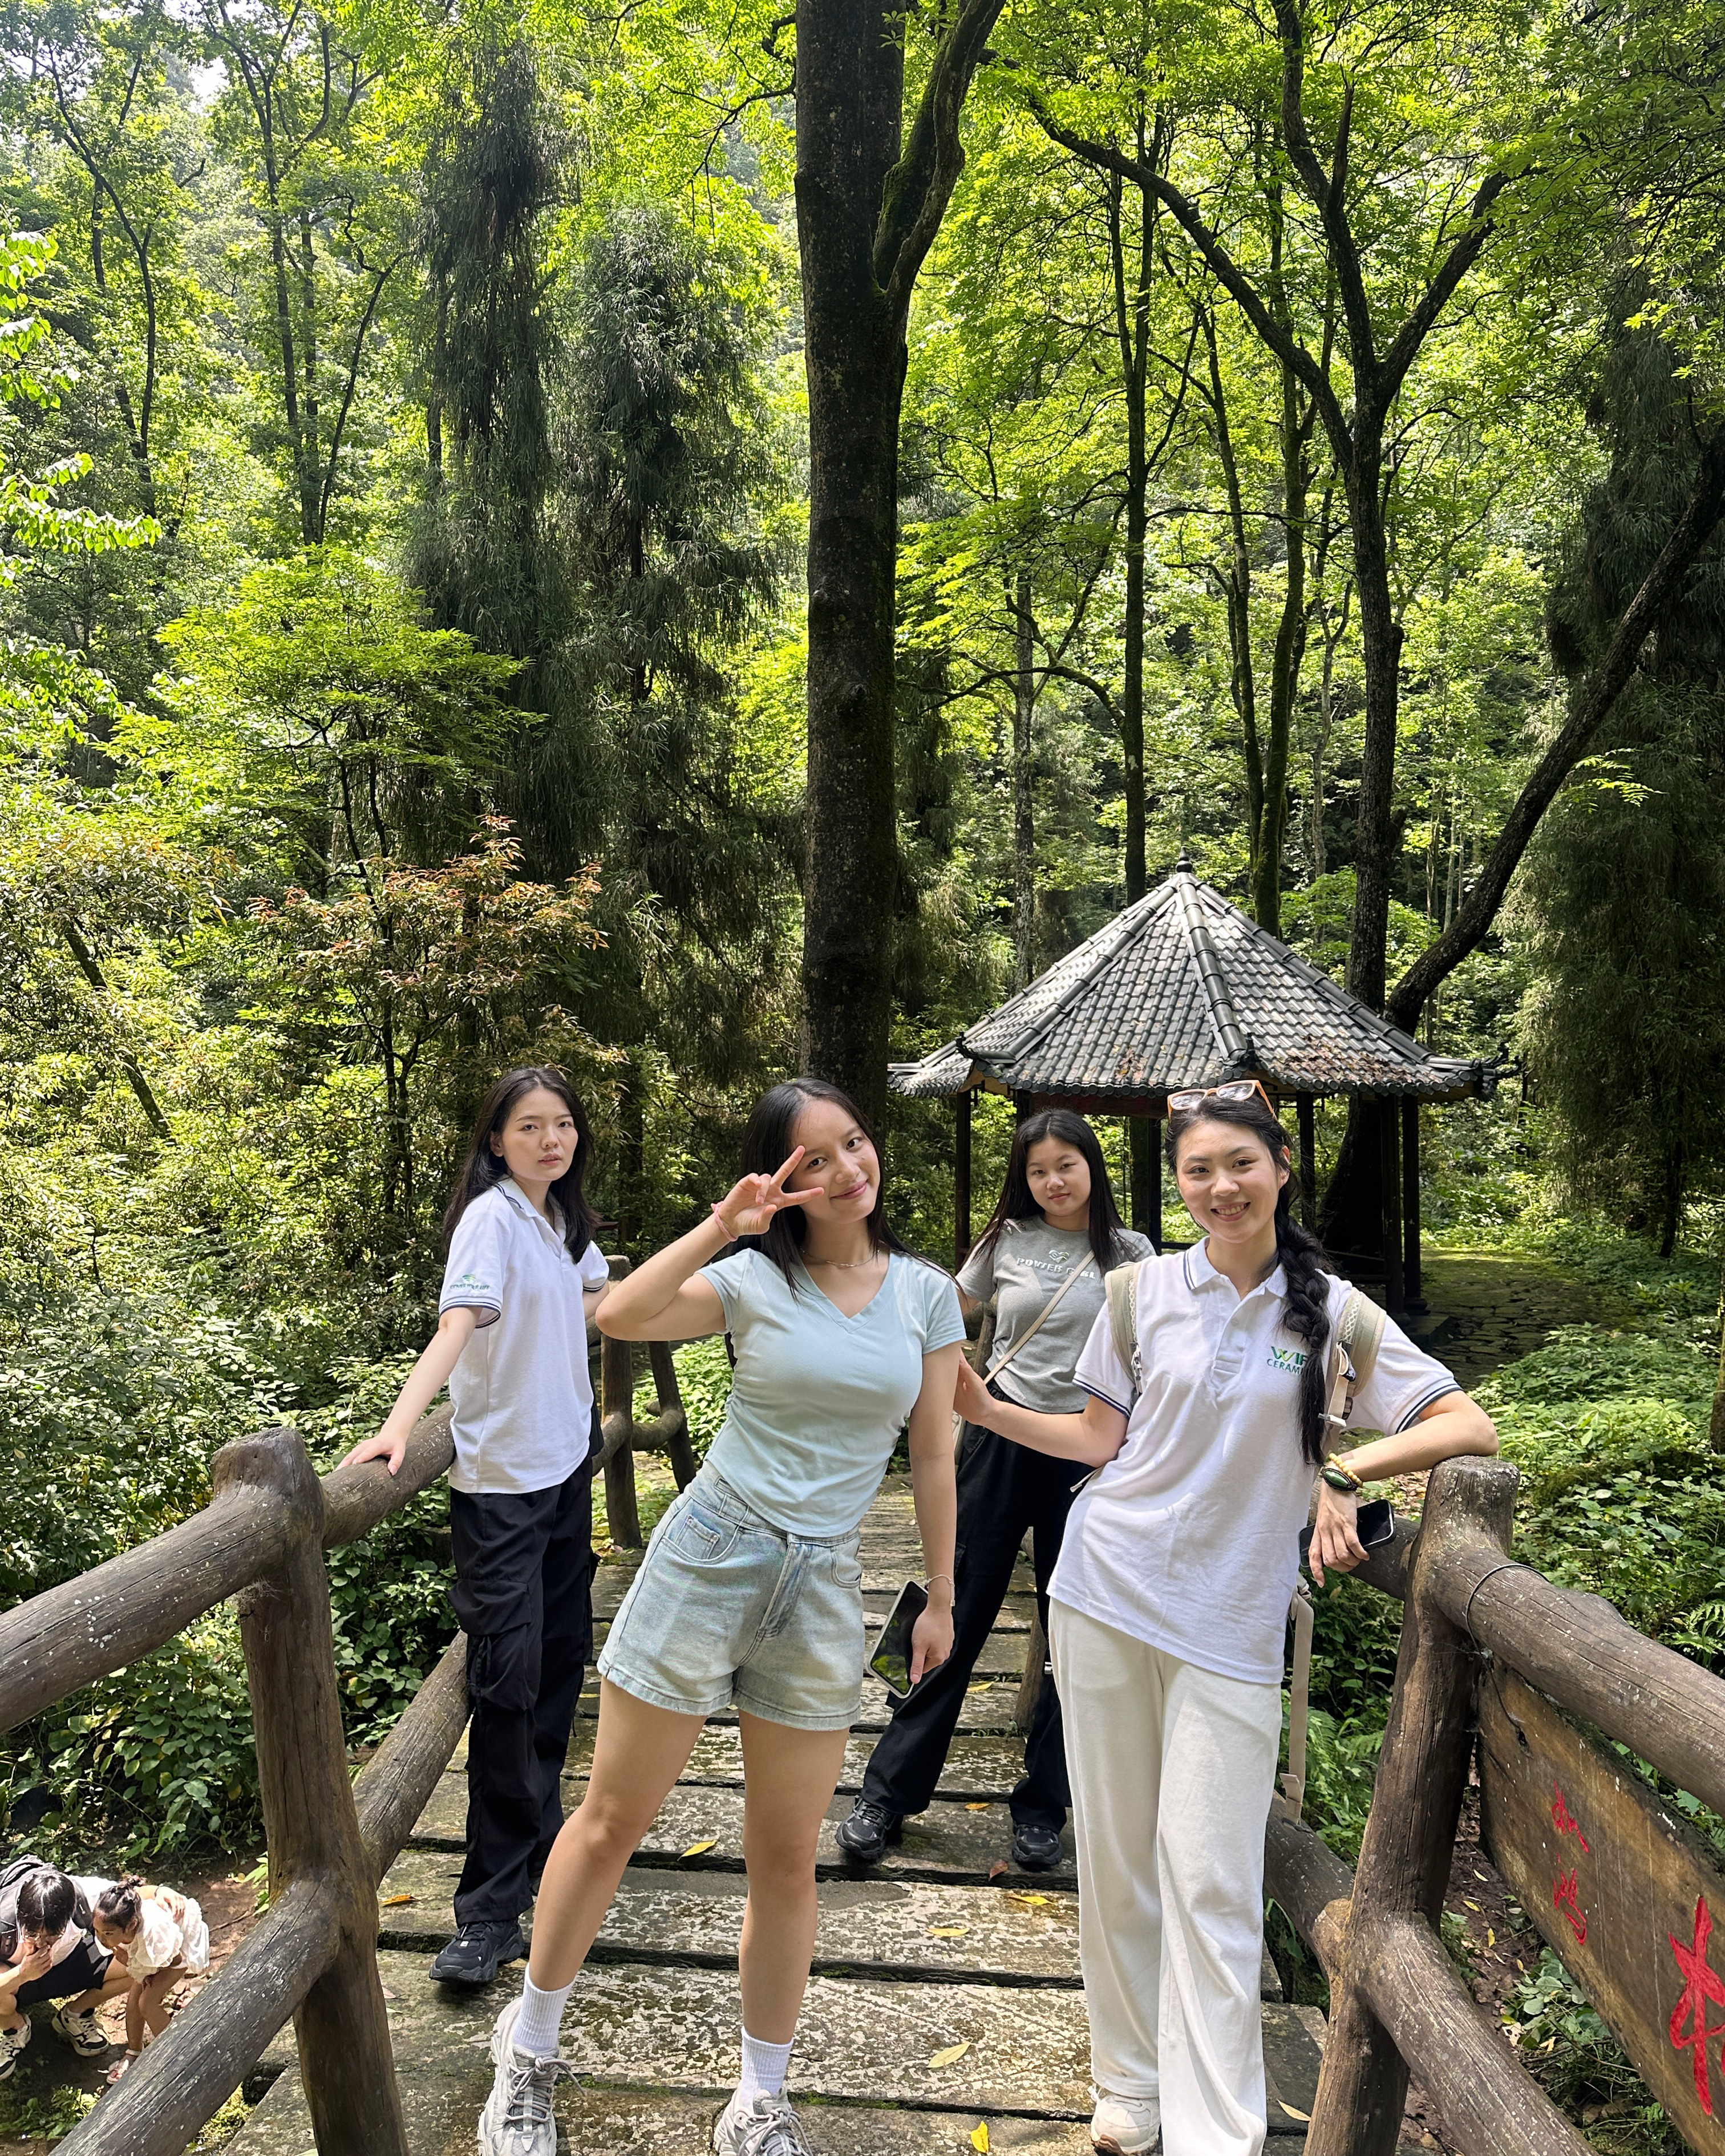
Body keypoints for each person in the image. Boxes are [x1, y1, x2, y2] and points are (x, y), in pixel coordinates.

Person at [954, 1081, 1499, 2156]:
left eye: (1236, 1165)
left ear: (1278, 1165)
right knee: (1115, 1859)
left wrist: (1341, 1467)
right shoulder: (1137, 1292)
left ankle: (1217, 2131)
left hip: (1231, 1621)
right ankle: (1129, 2087)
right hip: (1103, 1591)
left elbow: (1461, 1422)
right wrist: (978, 1406)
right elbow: (1097, 1443)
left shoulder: (1332, 1311)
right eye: (1196, 1171)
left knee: (1208, 1875)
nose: (1217, 1188)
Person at [475, 1078, 966, 2156]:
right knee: (609, 1823)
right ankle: (529, 2054)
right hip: (709, 1558)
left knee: (786, 1859)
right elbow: (622, 1313)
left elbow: (932, 1453)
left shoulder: (926, 1293)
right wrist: (719, 1224)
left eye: (853, 1143)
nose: (847, 1169)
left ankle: (758, 2098)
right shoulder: (749, 1277)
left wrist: (940, 1590)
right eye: (815, 1159)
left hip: (827, 1587)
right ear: (780, 1180)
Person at [342, 1068, 611, 1989]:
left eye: (562, 1124)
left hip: (565, 1473)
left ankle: (535, 1850)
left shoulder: (561, 1225)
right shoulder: (492, 1219)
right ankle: (488, 1911)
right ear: (496, 1139)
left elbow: (600, 1308)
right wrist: (399, 1423)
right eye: (529, 1126)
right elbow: (458, 1323)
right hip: (499, 1492)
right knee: (504, 1689)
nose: (549, 1139)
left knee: (557, 1665)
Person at [837, 1110, 1152, 1873]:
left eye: (1067, 1166)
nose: (1054, 1181)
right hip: (998, 1438)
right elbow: (943, 1308)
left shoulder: (1134, 1256)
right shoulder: (1004, 1242)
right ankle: (886, 1793)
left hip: (1087, 1454)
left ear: (1093, 1167)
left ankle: (1045, 1806)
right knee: (953, 1609)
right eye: (1039, 1170)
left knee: (1072, 1632)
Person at [0, 1862, 129, 2077]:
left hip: (70, 1963)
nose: (41, 1944)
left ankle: (75, 2015)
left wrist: (160, 1893)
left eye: (52, 1936)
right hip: (16, 1979)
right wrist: (22, 1973)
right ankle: (15, 2029)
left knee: (140, 1963)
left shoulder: (84, 1896)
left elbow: (132, 1899)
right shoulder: (3, 1926)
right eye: (32, 1934)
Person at [90, 1876, 210, 2081]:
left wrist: (138, 1965)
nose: (101, 1939)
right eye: (98, 1931)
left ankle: (175, 2054)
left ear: (131, 1925)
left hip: (175, 1953)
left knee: (147, 2003)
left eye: (108, 1933)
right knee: (133, 2003)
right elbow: (140, 1893)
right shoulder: (120, 1914)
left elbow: (175, 1959)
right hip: (151, 1958)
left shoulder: (154, 1932)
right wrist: (139, 1966)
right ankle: (134, 2050)